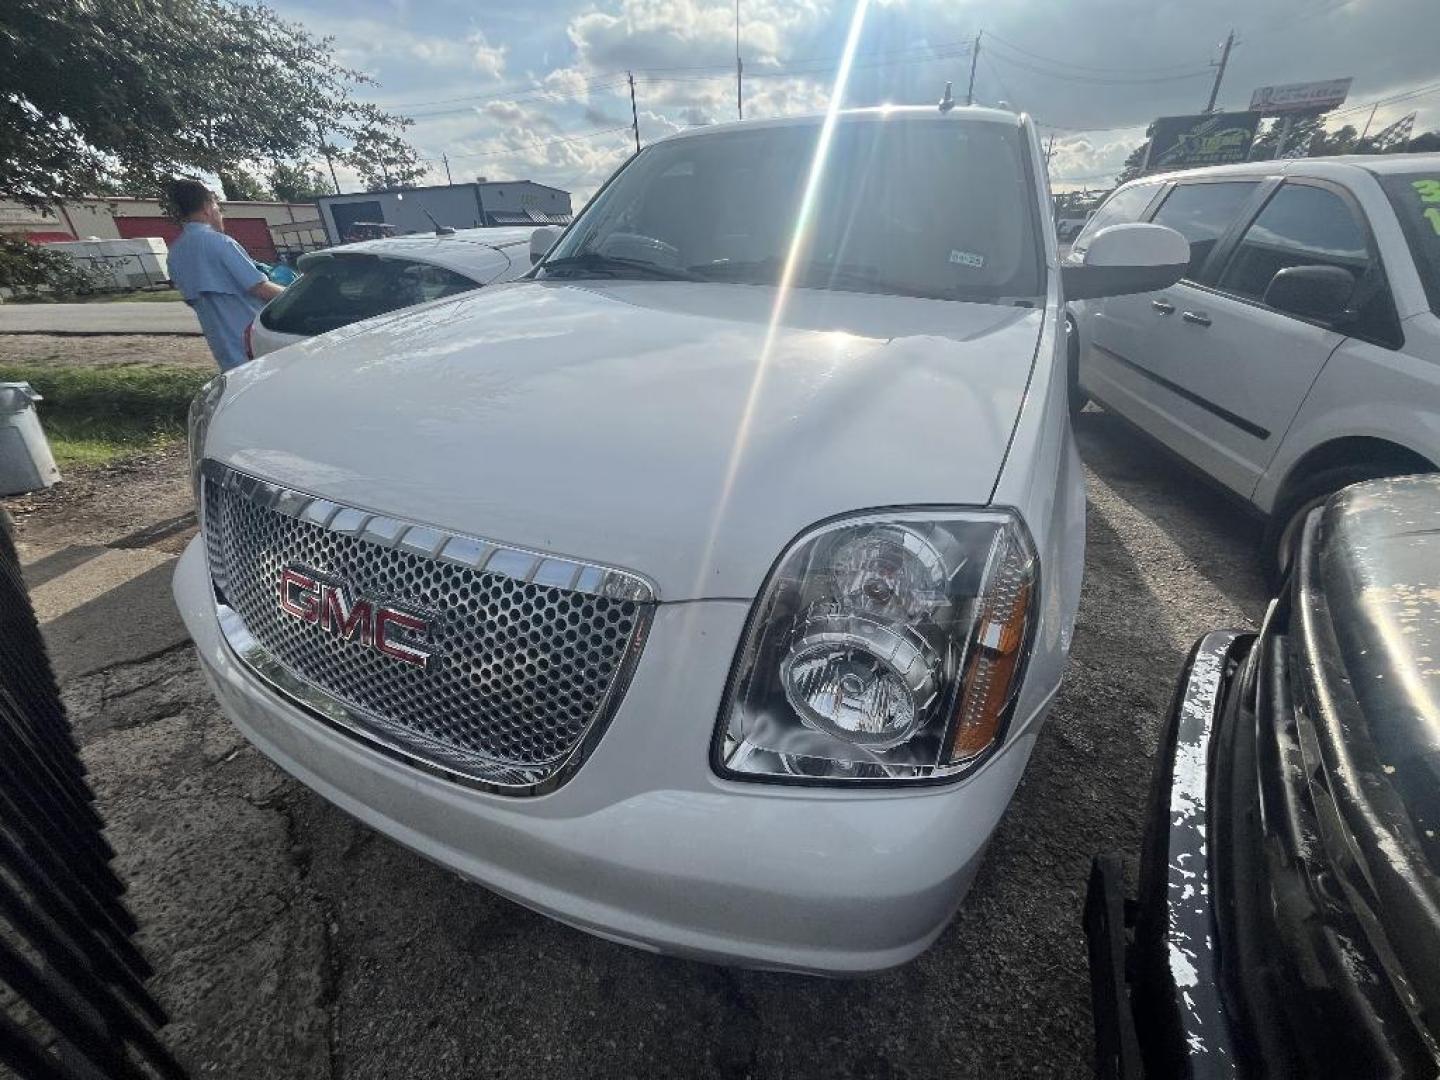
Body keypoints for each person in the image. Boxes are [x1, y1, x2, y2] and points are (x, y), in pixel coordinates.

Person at [164, 179, 285, 371]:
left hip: (223, 350)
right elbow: (259, 288)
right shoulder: (221, 243)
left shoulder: (175, 254)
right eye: (218, 208)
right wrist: (297, 295)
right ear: (207, 208)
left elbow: (191, 300)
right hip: (253, 342)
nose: (221, 215)